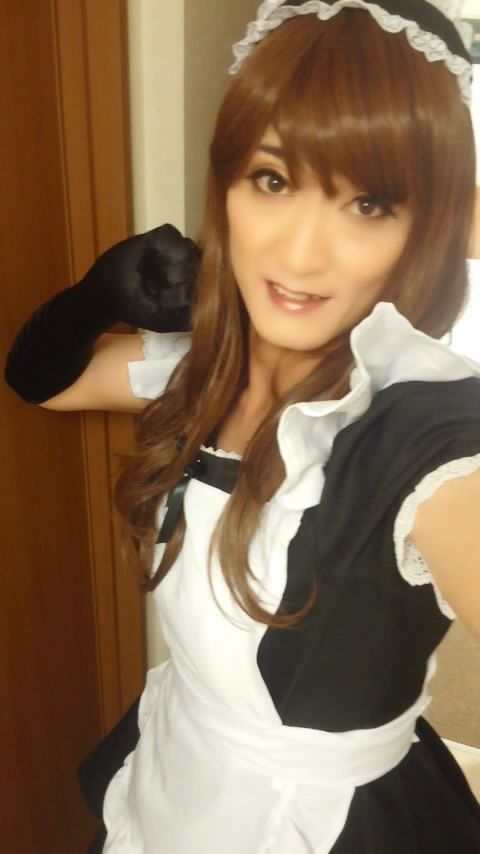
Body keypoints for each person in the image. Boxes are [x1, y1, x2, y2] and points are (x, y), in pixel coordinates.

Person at [5, 1, 480, 851]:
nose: (299, 255)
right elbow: (42, 383)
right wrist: (93, 296)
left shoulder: (424, 440)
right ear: (226, 185)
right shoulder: (203, 368)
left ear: (430, 224)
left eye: (369, 203)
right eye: (273, 180)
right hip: (176, 763)